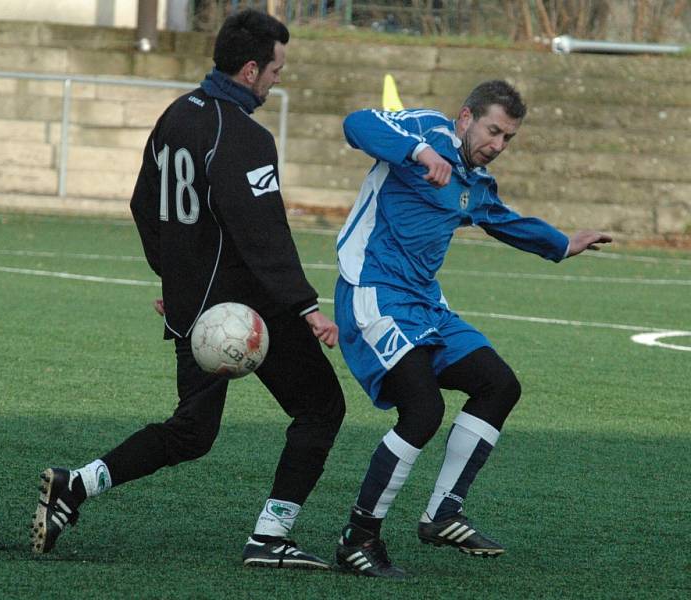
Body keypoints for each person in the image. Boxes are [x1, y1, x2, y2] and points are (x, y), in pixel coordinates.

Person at [30, 9, 345, 570]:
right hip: (251, 311)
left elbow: (142, 205)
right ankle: (271, 539)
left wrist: (176, 284)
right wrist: (306, 306)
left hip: (196, 312)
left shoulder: (176, 115)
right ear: (250, 70)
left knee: (193, 432)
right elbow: (263, 232)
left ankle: (75, 486)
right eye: (275, 69)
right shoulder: (244, 134)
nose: (278, 79)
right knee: (321, 408)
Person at [331, 80, 612, 578]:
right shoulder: (425, 130)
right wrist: (417, 151)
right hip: (373, 294)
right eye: (493, 131)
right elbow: (358, 125)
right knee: (422, 410)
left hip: (425, 306)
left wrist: (562, 242)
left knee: (499, 385)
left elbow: (502, 220)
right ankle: (359, 538)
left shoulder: (474, 182)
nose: (497, 146)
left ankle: (443, 512)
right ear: (465, 119)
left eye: (508, 139)